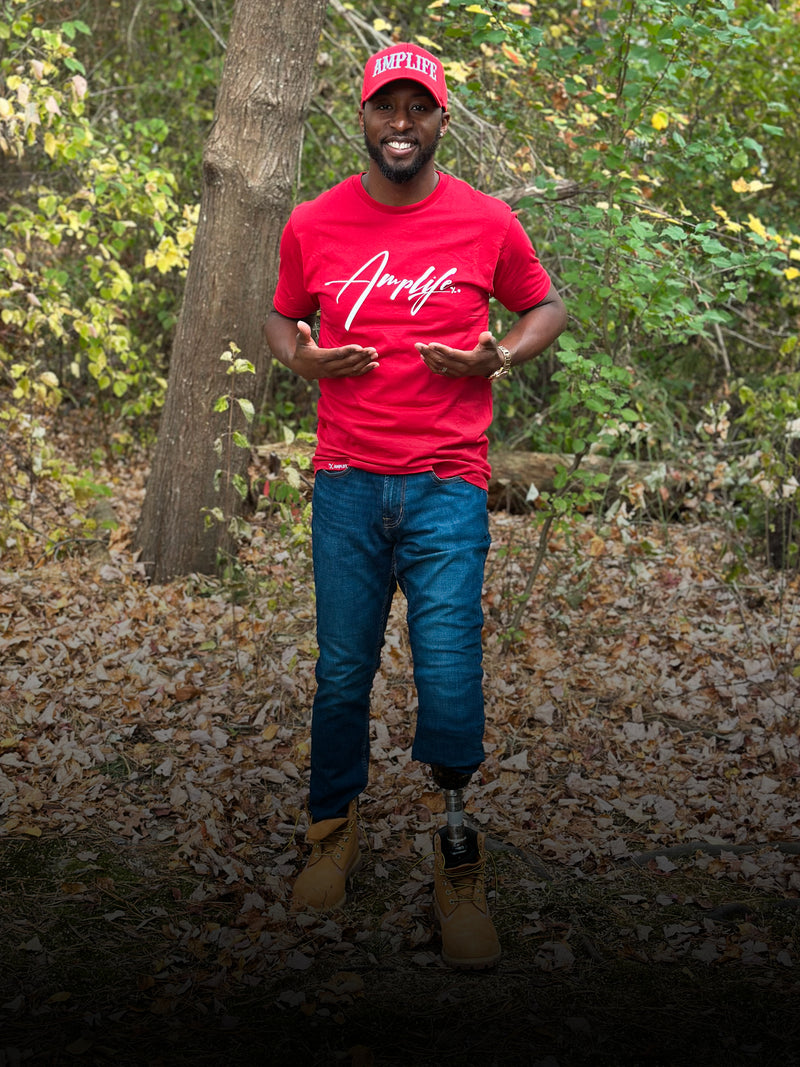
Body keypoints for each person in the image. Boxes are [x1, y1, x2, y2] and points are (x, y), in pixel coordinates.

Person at [264, 41, 567, 970]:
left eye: (419, 108)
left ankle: (457, 857)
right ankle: (331, 832)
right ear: (361, 116)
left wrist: (500, 357)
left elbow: (545, 307)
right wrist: (302, 359)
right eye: (385, 107)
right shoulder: (313, 222)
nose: (402, 124)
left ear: (440, 119)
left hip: (446, 484)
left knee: (449, 671)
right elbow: (281, 315)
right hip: (348, 482)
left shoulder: (485, 220)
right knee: (342, 671)